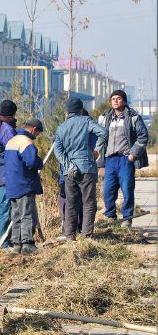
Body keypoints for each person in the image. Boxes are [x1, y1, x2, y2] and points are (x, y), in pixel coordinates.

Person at [53, 97, 108, 240]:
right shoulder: (86, 121)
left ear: (67, 111)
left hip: (69, 171)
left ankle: (69, 236)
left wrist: (68, 164)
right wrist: (96, 150)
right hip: (87, 168)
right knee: (88, 203)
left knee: (71, 203)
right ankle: (86, 236)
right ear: (81, 110)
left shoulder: (61, 127)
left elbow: (58, 151)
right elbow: (104, 133)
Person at [97, 90, 149, 227]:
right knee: (108, 191)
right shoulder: (104, 118)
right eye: (113, 98)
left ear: (124, 101)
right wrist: (100, 163)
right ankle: (111, 216)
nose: (115, 101)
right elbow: (99, 140)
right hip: (110, 160)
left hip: (126, 159)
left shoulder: (133, 117)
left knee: (127, 190)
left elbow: (143, 136)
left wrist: (133, 154)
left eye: (118, 98)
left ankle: (127, 218)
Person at [4, 119, 44, 254]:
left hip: (11, 185)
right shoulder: (26, 141)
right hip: (24, 184)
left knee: (16, 215)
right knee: (27, 214)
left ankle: (16, 244)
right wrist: (40, 162)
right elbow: (32, 161)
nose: (37, 136)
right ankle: (27, 244)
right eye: (37, 133)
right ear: (33, 129)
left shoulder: (12, 141)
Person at [0, 100, 18, 249]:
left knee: (6, 207)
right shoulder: (7, 129)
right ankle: (3, 242)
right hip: (6, 174)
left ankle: (5, 239)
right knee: (6, 208)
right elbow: (15, 150)